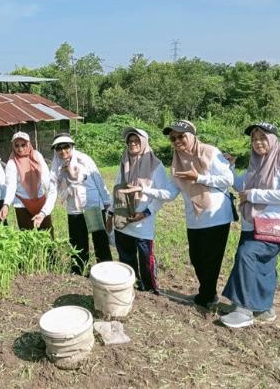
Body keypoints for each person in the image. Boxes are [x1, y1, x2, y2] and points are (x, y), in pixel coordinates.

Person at [220, 122, 280, 329]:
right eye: (254, 139)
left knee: (246, 256)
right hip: (252, 224)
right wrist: (230, 167)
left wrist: (255, 194)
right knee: (264, 266)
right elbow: (241, 186)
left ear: (273, 140)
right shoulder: (255, 164)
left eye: (262, 138)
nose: (258, 143)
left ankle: (243, 309)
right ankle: (265, 310)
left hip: (273, 225)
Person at [162, 120, 235, 311]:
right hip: (194, 217)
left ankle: (207, 297)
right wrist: (145, 190)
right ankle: (208, 294)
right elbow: (172, 191)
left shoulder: (210, 152)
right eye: (173, 138)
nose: (177, 141)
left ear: (192, 135)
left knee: (211, 259)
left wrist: (199, 178)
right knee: (196, 258)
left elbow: (228, 179)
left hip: (216, 215)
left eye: (181, 136)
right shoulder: (177, 160)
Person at [111, 128, 176, 294]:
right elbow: (117, 188)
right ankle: (130, 286)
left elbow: (162, 195)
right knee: (125, 256)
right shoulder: (124, 161)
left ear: (144, 142)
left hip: (143, 221)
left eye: (136, 141)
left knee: (146, 258)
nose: (132, 144)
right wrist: (112, 213)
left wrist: (146, 213)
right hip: (124, 218)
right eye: (130, 141)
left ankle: (149, 289)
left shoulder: (156, 165)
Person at [50, 133, 114, 275]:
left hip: (91, 204)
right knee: (77, 241)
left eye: (66, 147)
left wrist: (106, 201)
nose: (63, 151)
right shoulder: (57, 166)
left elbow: (98, 180)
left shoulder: (84, 159)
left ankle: (105, 271)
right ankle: (79, 271)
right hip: (74, 208)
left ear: (72, 147)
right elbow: (53, 189)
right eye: (58, 148)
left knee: (99, 239)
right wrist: (44, 211)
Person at [0, 131, 57, 232]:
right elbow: (11, 186)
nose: (20, 148)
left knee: (47, 233)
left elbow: (45, 175)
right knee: (26, 235)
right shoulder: (12, 163)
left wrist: (51, 192)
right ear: (13, 146)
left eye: (23, 145)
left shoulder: (37, 155)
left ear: (29, 144)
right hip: (22, 203)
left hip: (40, 199)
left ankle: (50, 249)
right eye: (17, 145)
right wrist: (6, 204)